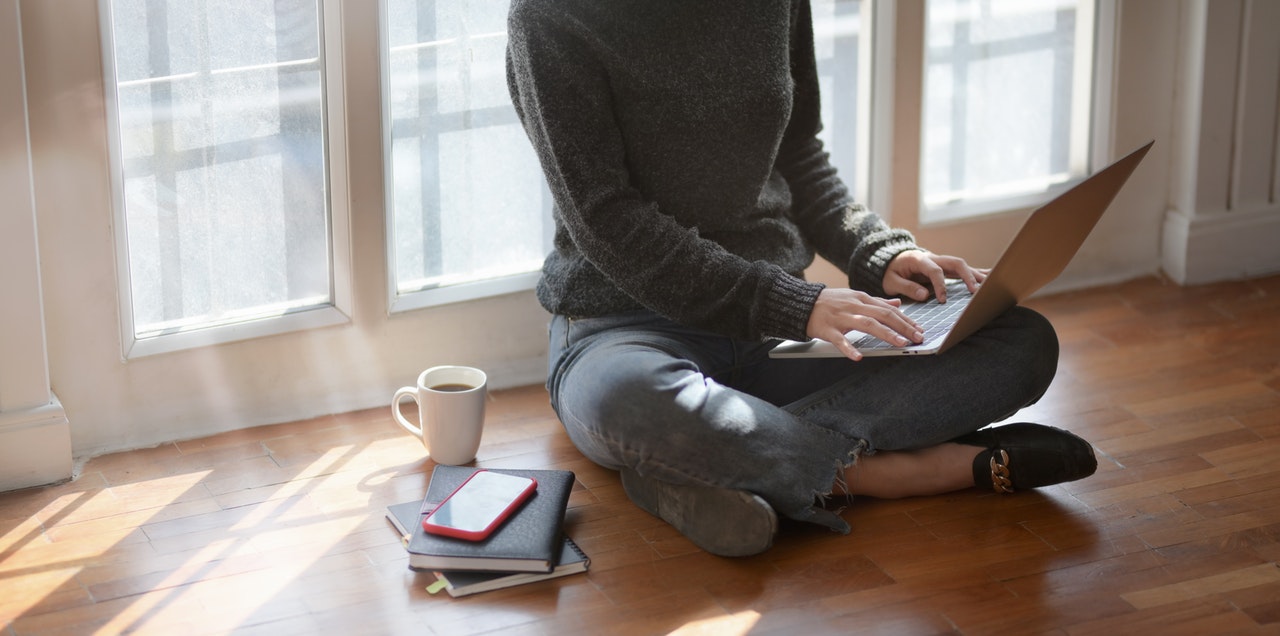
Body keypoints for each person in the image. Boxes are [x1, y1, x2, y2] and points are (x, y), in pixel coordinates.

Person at [505, 0, 1098, 557]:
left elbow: (798, 156)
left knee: (1019, 341)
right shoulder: (549, 17)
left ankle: (712, 465)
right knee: (627, 401)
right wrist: (793, 303)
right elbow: (606, 221)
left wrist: (879, 251)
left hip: (777, 337)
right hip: (624, 329)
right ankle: (895, 474)